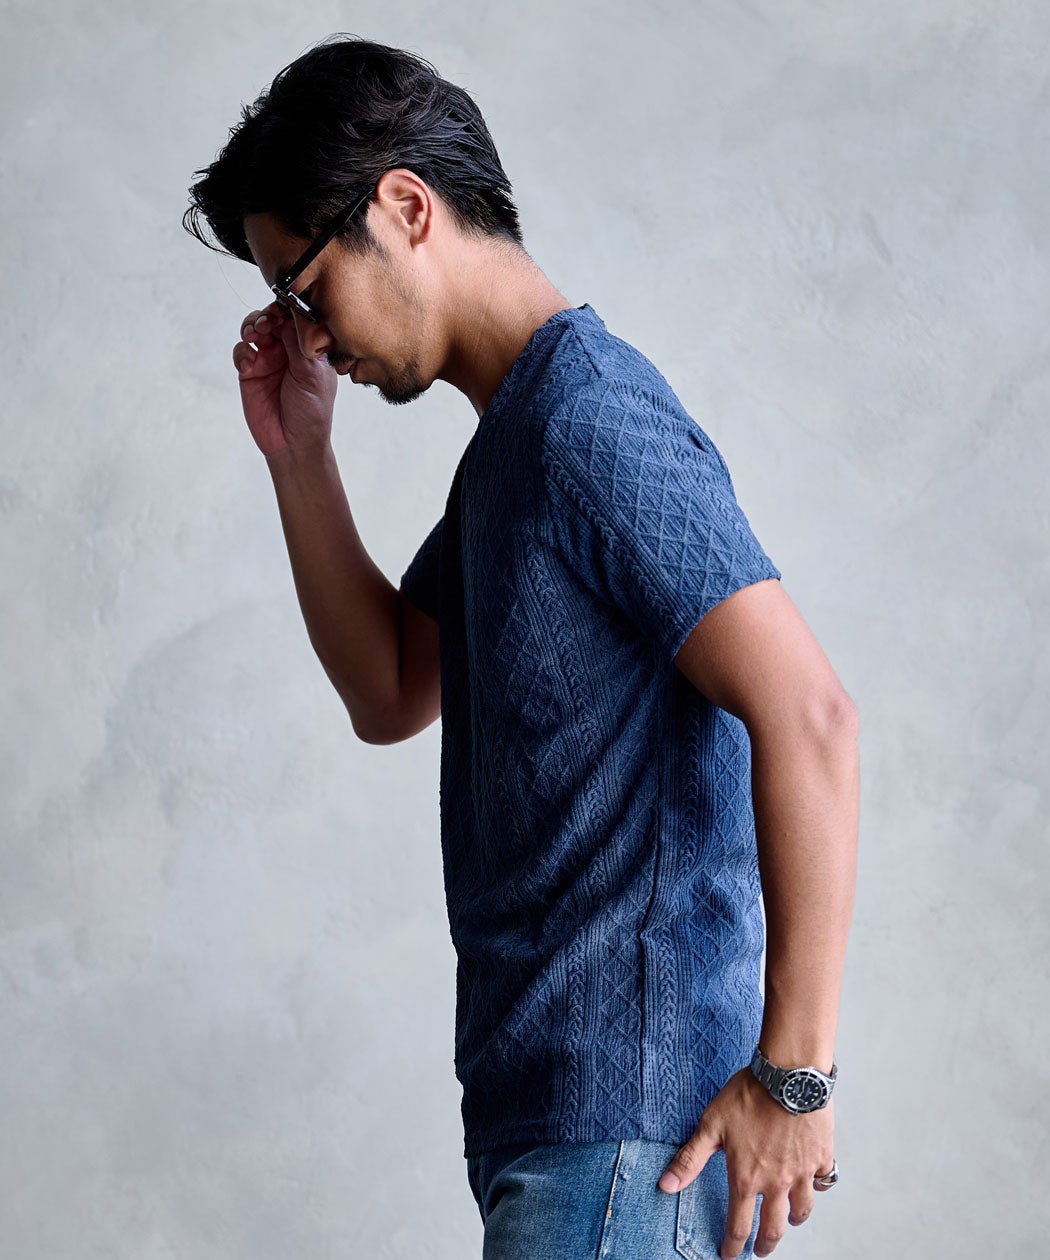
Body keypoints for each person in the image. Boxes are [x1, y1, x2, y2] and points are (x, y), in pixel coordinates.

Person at [184, 34, 859, 1260]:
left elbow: (810, 713)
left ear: (405, 207)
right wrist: (300, 456)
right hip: (557, 1141)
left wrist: (795, 1076)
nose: (309, 335)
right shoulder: (511, 450)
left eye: (306, 288)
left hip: (624, 1144)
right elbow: (392, 688)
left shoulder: (586, 420)